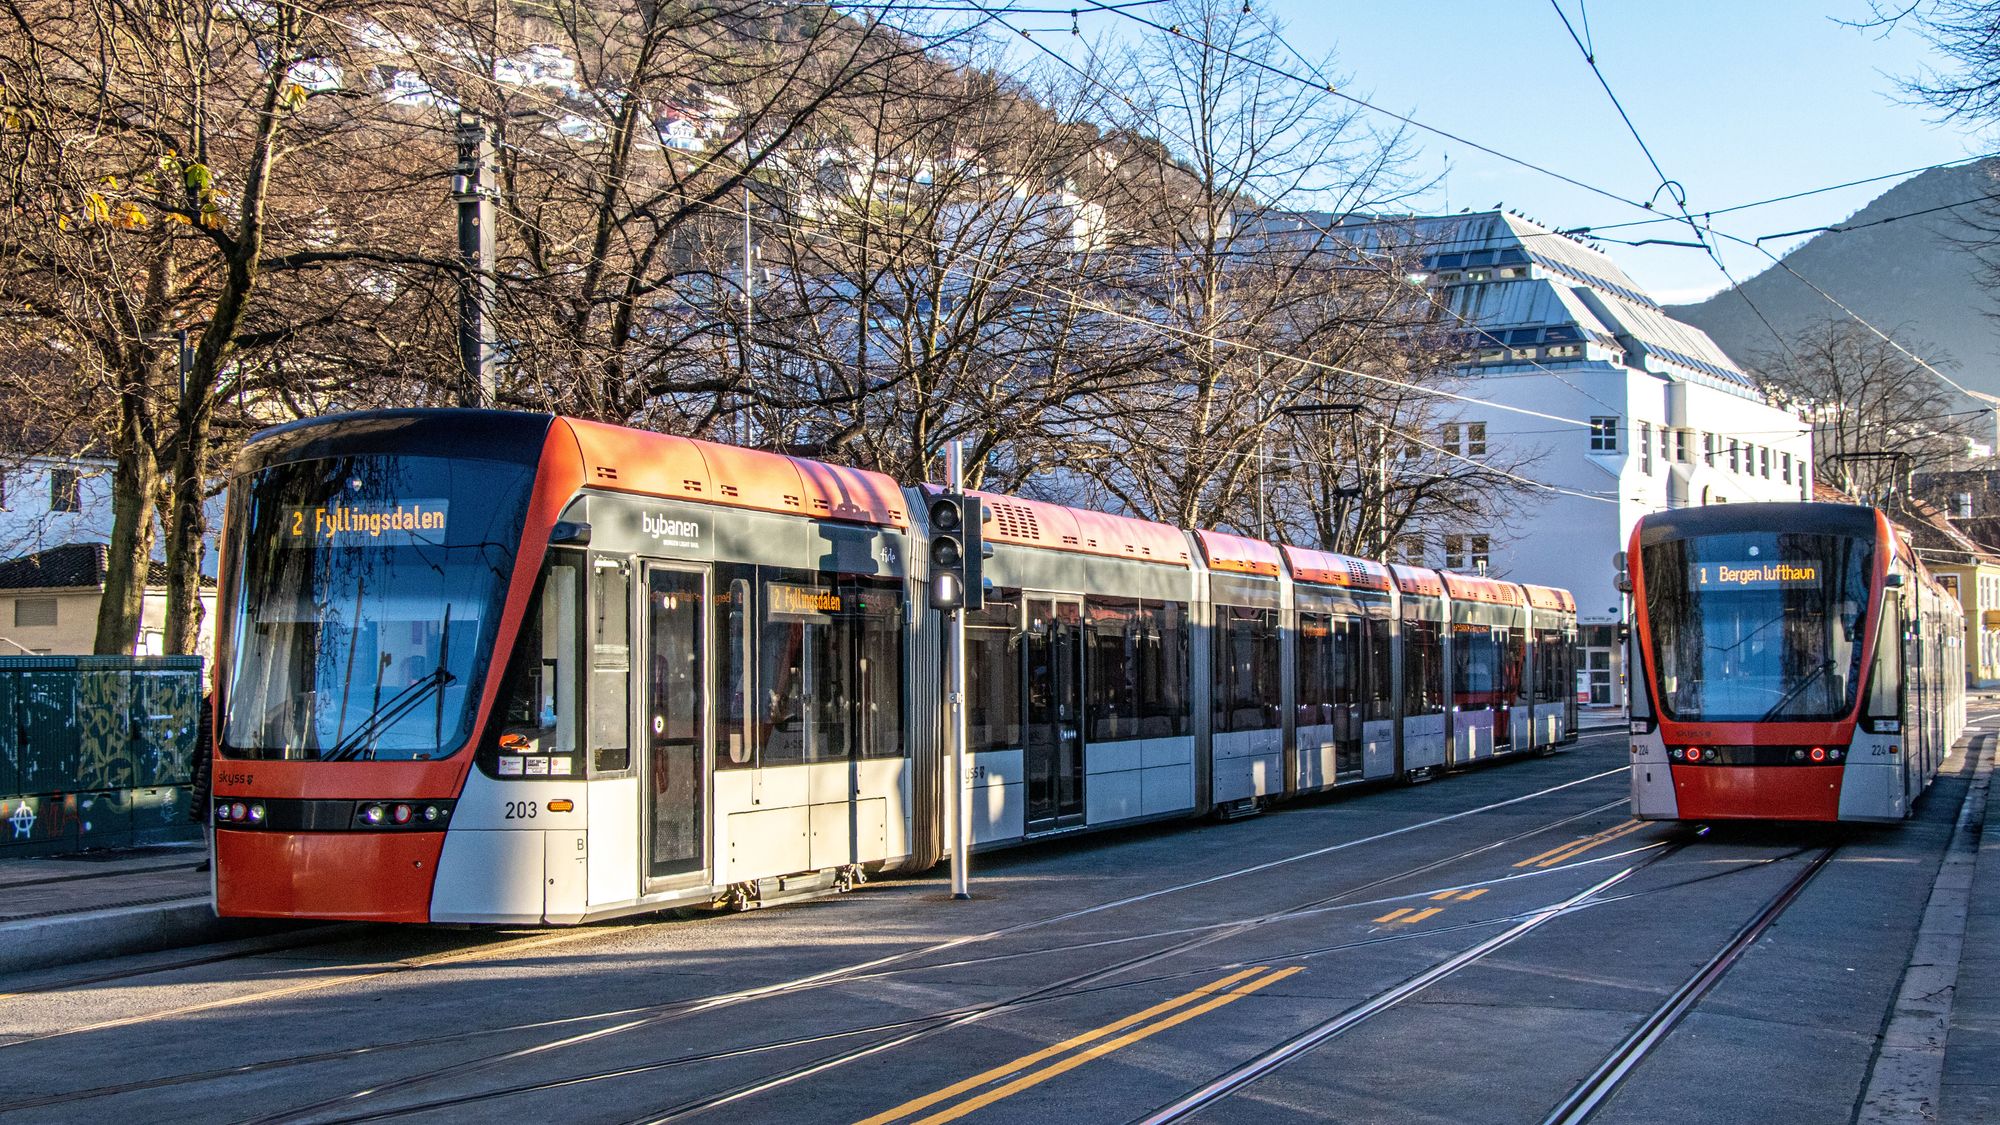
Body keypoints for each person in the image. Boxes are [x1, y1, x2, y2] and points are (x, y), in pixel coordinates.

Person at [189, 689, 214, 871]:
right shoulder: (207, 703)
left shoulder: (233, 700)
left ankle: (216, 855)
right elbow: (201, 735)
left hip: (216, 763)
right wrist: (195, 763)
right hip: (206, 765)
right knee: (205, 812)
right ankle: (211, 855)